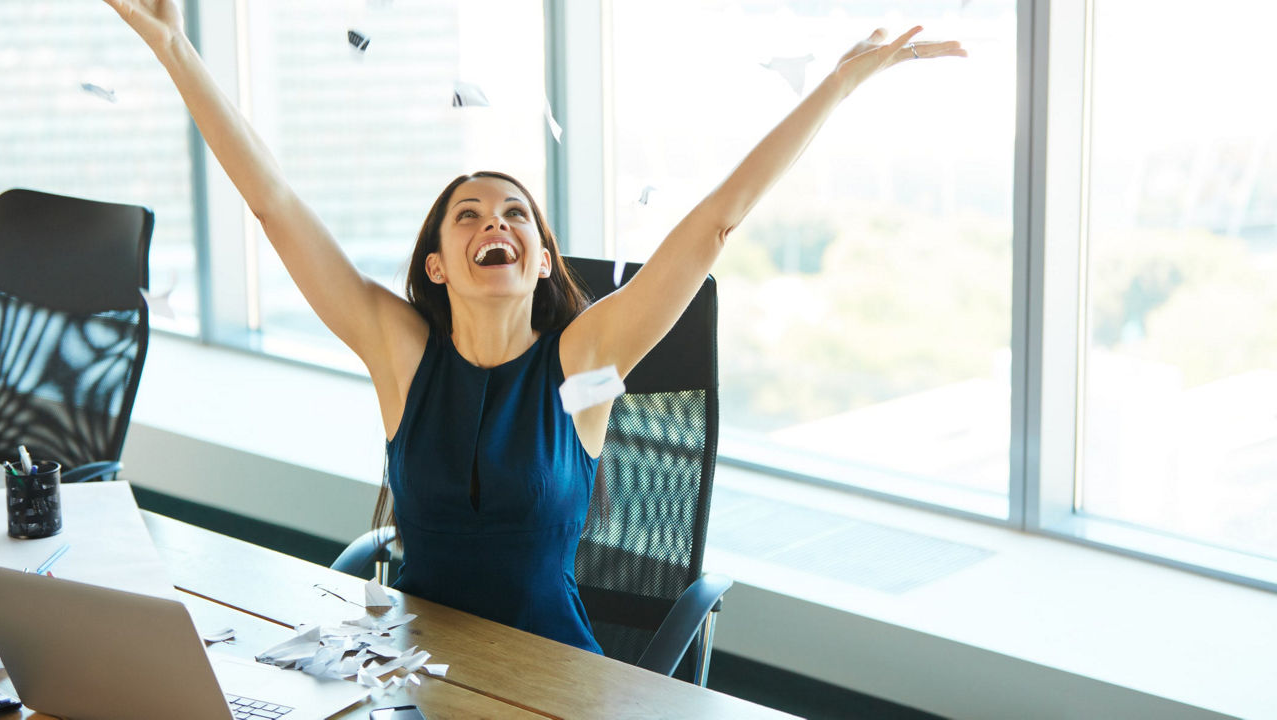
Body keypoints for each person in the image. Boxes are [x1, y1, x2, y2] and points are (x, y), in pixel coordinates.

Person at [102, 0, 965, 654]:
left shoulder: (586, 357)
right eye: (469, 216)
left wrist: (840, 85)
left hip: (555, 676)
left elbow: (713, 224)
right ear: (437, 264)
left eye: (516, 214)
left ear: (543, 259)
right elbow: (274, 204)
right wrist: (175, 47)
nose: (496, 225)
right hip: (412, 666)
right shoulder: (398, 353)